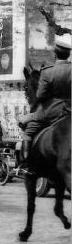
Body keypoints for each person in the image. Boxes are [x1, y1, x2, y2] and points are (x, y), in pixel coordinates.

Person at [19, 35, 71, 175]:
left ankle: (26, 165)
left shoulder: (48, 72)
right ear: (68, 54)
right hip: (69, 112)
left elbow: (40, 95)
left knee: (28, 132)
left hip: (51, 112)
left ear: (55, 53)